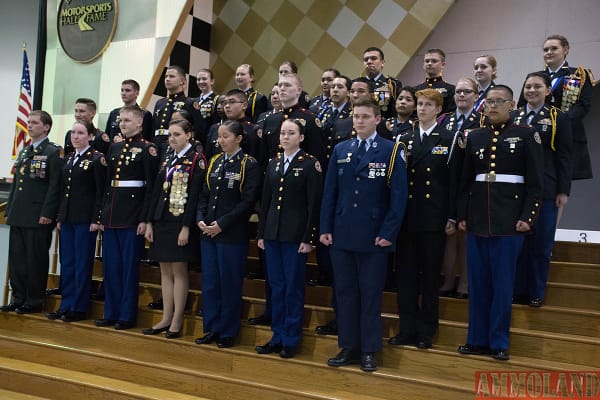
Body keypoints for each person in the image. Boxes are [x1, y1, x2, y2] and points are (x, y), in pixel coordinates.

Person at [456, 85, 543, 361]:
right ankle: (476, 339)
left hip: (509, 222)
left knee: (503, 285)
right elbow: (465, 182)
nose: (492, 106)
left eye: (498, 101)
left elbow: (536, 184)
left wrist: (527, 217)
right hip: (478, 219)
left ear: (511, 105)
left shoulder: (527, 136)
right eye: (489, 102)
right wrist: (462, 215)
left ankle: (499, 342)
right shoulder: (475, 137)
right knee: (478, 284)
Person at [320, 97, 407, 372]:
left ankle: (369, 350)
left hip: (374, 236)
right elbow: (329, 192)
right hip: (342, 233)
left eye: (365, 116)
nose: (359, 121)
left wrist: (388, 232)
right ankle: (348, 346)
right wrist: (325, 228)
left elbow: (399, 197)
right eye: (356, 116)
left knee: (370, 295)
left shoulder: (391, 150)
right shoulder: (341, 148)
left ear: (378, 119)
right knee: (345, 293)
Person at [391, 89, 456, 349]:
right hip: (407, 217)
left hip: (433, 217)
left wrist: (451, 215)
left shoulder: (448, 138)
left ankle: (426, 330)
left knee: (430, 275)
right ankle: (406, 328)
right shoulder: (403, 138)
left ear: (439, 109)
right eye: (419, 104)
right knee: (405, 276)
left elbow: (452, 182)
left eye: (428, 105)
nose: (422, 109)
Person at [255, 119, 322, 359]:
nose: (285, 137)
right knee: (276, 286)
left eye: (291, 133)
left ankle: (291, 338)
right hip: (273, 234)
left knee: (292, 288)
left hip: (295, 236)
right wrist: (261, 233)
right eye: (283, 133)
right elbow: (267, 201)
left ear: (301, 137)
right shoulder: (273, 163)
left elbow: (313, 205)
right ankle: (276, 335)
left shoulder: (310, 164)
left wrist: (309, 237)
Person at [195, 120, 261, 348]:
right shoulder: (214, 161)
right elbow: (204, 194)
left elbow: (247, 202)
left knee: (229, 284)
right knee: (211, 284)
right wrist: (200, 219)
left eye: (225, 136)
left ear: (238, 138)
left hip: (231, 234)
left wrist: (222, 224)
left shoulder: (248, 164)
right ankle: (211, 327)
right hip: (208, 233)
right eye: (219, 136)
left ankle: (228, 331)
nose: (220, 141)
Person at [95, 105, 160, 330]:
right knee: (111, 268)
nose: (122, 124)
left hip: (133, 217)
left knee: (128, 269)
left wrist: (145, 218)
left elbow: (151, 187)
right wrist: (102, 214)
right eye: (121, 120)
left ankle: (126, 315)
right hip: (113, 214)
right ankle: (110, 312)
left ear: (139, 123)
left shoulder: (147, 149)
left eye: (127, 120)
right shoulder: (114, 147)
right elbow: (108, 184)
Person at [513, 72, 572, 308]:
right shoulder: (515, 115)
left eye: (537, 86)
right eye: (528, 86)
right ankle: (518, 290)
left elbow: (565, 156)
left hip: (546, 189)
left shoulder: (558, 118)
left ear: (548, 90)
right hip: (517, 190)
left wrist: (563, 190)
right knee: (518, 244)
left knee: (541, 244)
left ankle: (536, 291)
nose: (532, 90)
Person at [143, 119, 206, 338]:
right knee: (164, 271)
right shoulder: (168, 157)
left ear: (189, 135)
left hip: (180, 222)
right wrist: (150, 221)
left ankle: (177, 319)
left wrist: (186, 227)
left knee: (178, 271)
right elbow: (157, 192)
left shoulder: (196, 159)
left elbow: (195, 197)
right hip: (162, 220)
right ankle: (166, 316)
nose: (172, 139)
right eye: (170, 135)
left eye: (177, 134)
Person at [1, 111, 63, 314]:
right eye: (29, 122)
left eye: (34, 123)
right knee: (17, 259)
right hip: (19, 213)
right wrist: (10, 209)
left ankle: (33, 300)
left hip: (38, 215)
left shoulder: (53, 152)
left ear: (46, 127)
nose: (29, 125)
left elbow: (55, 186)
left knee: (34, 260)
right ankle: (18, 298)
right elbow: (18, 184)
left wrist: (48, 213)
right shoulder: (25, 151)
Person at [46, 120, 107, 322]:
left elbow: (100, 192)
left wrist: (97, 218)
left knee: (82, 263)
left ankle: (79, 307)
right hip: (68, 219)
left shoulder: (97, 159)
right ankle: (66, 304)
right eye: (73, 132)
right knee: (68, 262)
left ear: (90, 136)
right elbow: (65, 191)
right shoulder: (70, 158)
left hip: (85, 220)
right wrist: (60, 217)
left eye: (80, 133)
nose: (76, 136)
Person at [519, 34, 593, 181]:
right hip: (536, 133)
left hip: (565, 134)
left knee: (560, 180)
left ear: (565, 50)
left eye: (554, 48)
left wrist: (559, 124)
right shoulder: (534, 77)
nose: (549, 52)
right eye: (546, 49)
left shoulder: (578, 74)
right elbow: (523, 104)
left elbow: (583, 106)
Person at [439, 77, 484, 299]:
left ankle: (465, 283)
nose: (461, 95)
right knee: (448, 235)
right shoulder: (444, 120)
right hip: (445, 184)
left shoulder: (482, 121)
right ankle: (447, 280)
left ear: (476, 96)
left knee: (465, 235)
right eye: (458, 92)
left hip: (470, 185)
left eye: (467, 91)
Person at [261, 73, 326, 168]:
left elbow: (317, 157)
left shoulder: (310, 119)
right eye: (280, 85)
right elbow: (263, 156)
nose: (282, 88)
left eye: (287, 85)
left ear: (299, 90)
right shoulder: (270, 120)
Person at [204, 89, 261, 163]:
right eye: (225, 103)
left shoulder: (252, 130)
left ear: (244, 105)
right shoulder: (215, 128)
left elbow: (256, 160)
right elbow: (209, 157)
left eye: (232, 102)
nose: (227, 106)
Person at [153, 65, 196, 156]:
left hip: (177, 148)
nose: (167, 79)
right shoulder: (160, 103)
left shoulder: (189, 103)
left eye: (171, 76)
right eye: (166, 76)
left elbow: (196, 130)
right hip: (157, 147)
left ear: (182, 81)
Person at [317, 75, 352, 161]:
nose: (335, 90)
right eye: (333, 87)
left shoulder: (352, 114)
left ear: (348, 92)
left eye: (340, 87)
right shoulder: (323, 112)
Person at [361, 47, 401, 119]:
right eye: (366, 59)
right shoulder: (355, 84)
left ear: (382, 63)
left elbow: (395, 112)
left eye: (373, 58)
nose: (369, 62)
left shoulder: (392, 84)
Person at [415, 49, 456, 114]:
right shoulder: (415, 89)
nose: (429, 63)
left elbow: (451, 114)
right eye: (427, 61)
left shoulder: (451, 90)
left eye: (434, 61)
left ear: (443, 65)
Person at [192, 68, 218, 147]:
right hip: (193, 142)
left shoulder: (216, 99)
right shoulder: (193, 101)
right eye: (198, 79)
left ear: (212, 81)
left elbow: (216, 122)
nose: (201, 82)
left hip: (208, 141)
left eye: (204, 79)